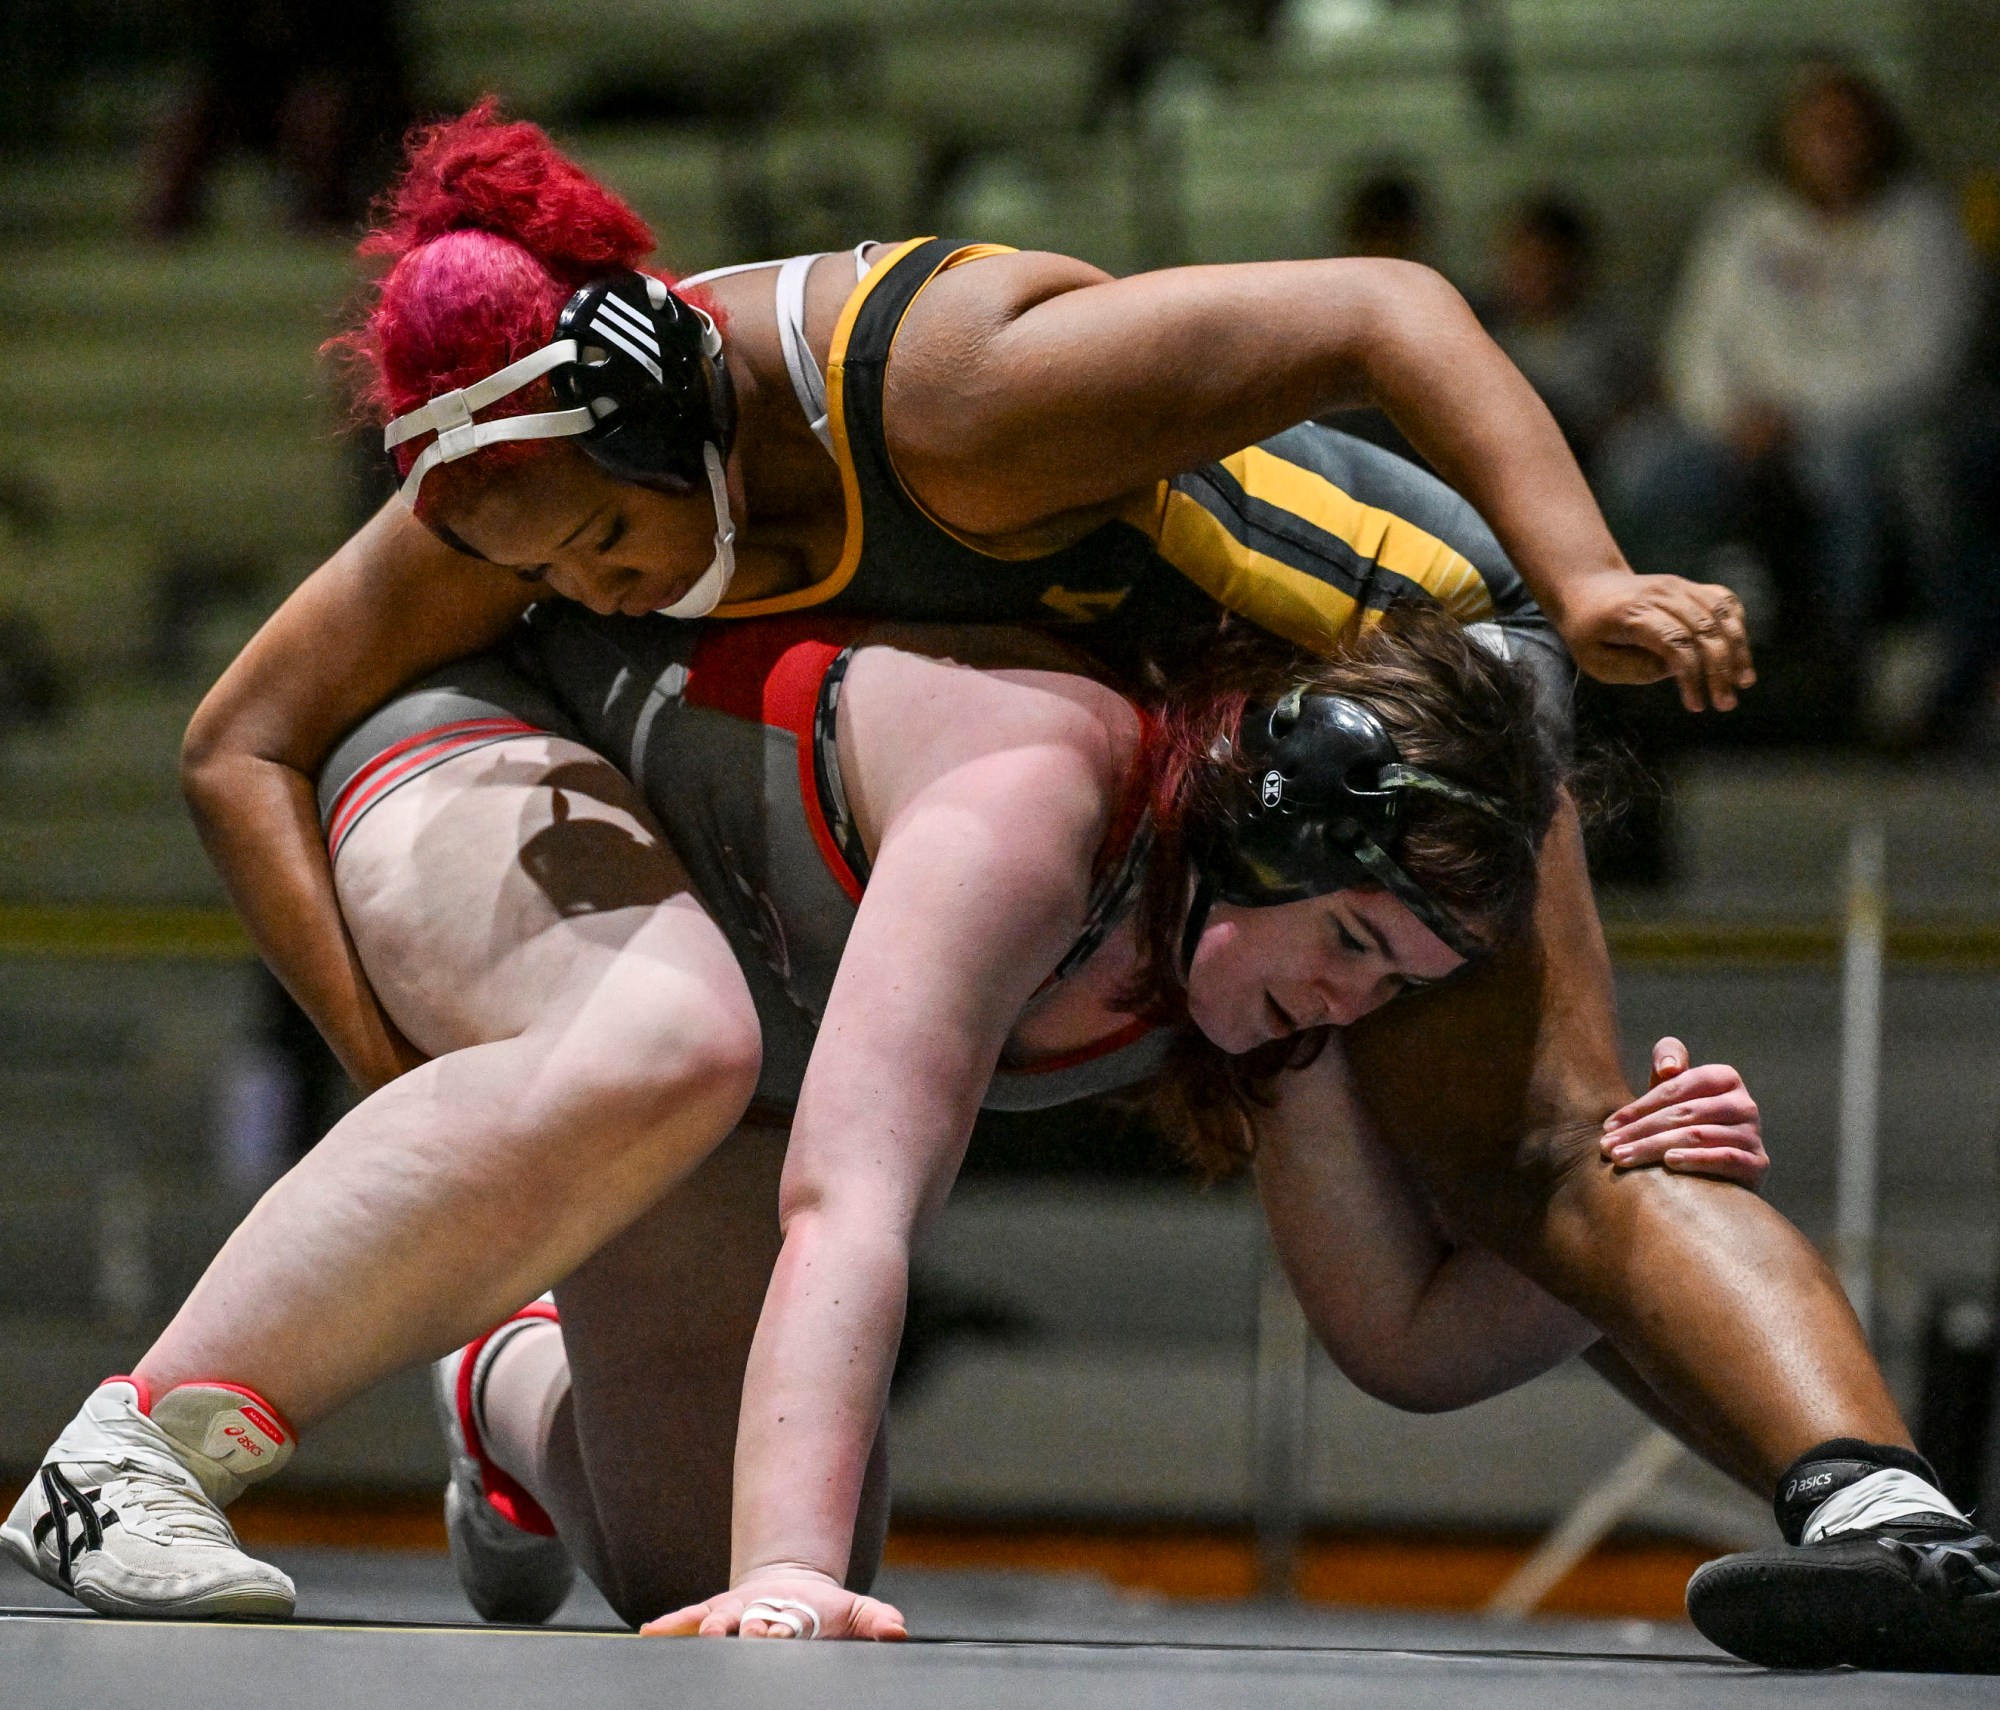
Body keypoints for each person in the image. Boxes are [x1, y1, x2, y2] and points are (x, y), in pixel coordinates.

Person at [1657, 61, 1977, 648]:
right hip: (1740, 428)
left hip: (1867, 430)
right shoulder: (1744, 222)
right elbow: (1696, 343)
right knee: (1644, 471)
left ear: (1879, 135)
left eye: (1848, 127)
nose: (1834, 143)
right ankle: (1670, 649)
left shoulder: (1920, 224)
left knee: (1853, 472)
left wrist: (1799, 415)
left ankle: (1841, 647)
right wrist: (1729, 416)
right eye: (1818, 127)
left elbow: (1928, 360)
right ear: (1787, 136)